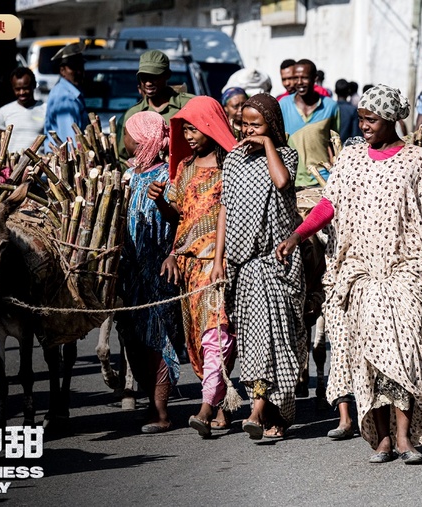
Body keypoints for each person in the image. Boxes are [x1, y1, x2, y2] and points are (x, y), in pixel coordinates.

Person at [276, 84, 422, 464]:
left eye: (372, 120)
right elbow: (328, 206)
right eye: (363, 119)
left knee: (405, 354)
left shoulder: (417, 159)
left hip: (405, 270)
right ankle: (382, 438)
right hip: (361, 274)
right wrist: (296, 235)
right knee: (370, 357)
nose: (365, 126)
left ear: (391, 120)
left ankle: (405, 440)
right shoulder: (351, 159)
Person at [148, 96, 239, 437]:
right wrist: (160, 203)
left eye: (195, 128)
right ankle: (218, 402)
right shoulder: (184, 168)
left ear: (211, 127)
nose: (188, 135)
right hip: (187, 266)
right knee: (197, 341)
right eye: (183, 128)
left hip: (218, 263)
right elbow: (179, 218)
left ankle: (205, 407)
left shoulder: (231, 166)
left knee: (217, 332)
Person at [219, 94, 306, 440]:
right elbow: (225, 208)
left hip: (277, 260)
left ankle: (275, 416)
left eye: (257, 124)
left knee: (279, 339)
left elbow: (282, 182)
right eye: (245, 124)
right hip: (245, 263)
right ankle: (260, 410)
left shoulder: (285, 154)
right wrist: (218, 260)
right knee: (255, 341)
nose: (249, 130)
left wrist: (268, 143)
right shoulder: (233, 161)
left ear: (272, 126)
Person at [116, 111, 183, 434]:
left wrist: (171, 254)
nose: (123, 140)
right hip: (130, 273)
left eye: (127, 134)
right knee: (135, 339)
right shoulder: (129, 176)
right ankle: (150, 403)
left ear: (141, 139)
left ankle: (161, 412)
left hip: (157, 271)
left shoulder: (167, 177)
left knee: (157, 339)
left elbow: (180, 221)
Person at [118, 50, 195, 162]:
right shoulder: (132, 116)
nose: (148, 83)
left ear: (167, 75)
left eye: (154, 77)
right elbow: (123, 158)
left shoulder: (189, 105)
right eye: (144, 77)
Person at [279, 59, 340, 187]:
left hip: (323, 181)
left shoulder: (330, 107)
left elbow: (336, 145)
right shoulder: (283, 105)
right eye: (296, 78)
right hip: (293, 181)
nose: (299, 82)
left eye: (305, 78)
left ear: (315, 78)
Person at [44, 42, 88, 152]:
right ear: (62, 70)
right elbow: (70, 141)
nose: (78, 72)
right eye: (73, 67)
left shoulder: (71, 93)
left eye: (80, 66)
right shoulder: (65, 97)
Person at [0, 68, 46, 154]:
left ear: (34, 85)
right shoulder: (3, 112)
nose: (22, 92)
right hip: (12, 165)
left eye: (25, 88)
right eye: (18, 89)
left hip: (39, 164)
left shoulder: (46, 109)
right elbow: (2, 143)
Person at [334, 79, 362, 144]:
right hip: (347, 148)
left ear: (335, 91)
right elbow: (356, 134)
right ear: (348, 91)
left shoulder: (330, 108)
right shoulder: (353, 110)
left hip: (332, 148)